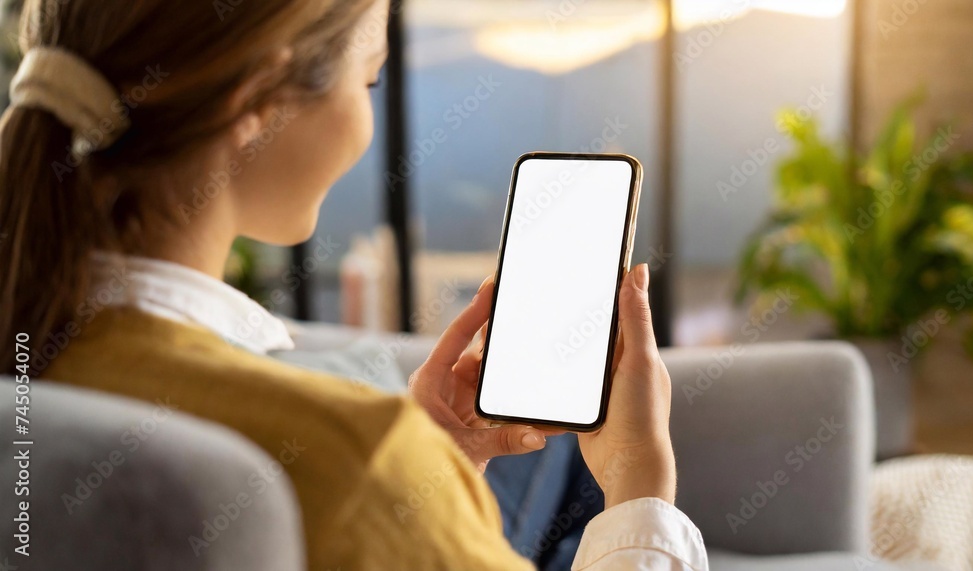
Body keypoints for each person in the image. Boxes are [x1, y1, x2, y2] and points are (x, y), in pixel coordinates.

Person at [0, 0, 708, 568]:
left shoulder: (31, 347)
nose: (368, 114)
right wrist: (640, 485)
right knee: (579, 477)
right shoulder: (355, 460)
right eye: (368, 80)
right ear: (260, 105)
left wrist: (438, 471)